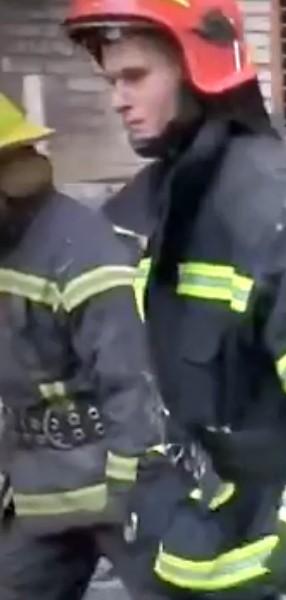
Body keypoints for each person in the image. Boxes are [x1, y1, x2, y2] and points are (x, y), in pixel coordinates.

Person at [63, 1, 286, 598]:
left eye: (135, 77)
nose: (118, 99)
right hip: (185, 540)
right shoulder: (148, 205)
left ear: (202, 68)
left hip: (273, 557)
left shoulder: (284, 207)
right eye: (112, 80)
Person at [0, 92, 165, 599]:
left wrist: (140, 493)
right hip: (42, 489)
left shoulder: (86, 255)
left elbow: (131, 382)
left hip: (117, 486)